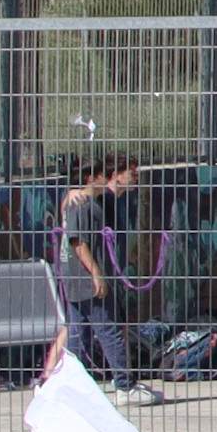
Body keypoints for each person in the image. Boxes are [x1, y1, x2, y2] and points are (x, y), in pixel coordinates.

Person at [54, 153, 141, 388]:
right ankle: (124, 384)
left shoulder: (102, 201)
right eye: (131, 172)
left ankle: (72, 382)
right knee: (106, 328)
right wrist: (97, 274)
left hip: (91, 274)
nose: (136, 177)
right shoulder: (84, 203)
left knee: (79, 332)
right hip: (86, 276)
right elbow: (77, 240)